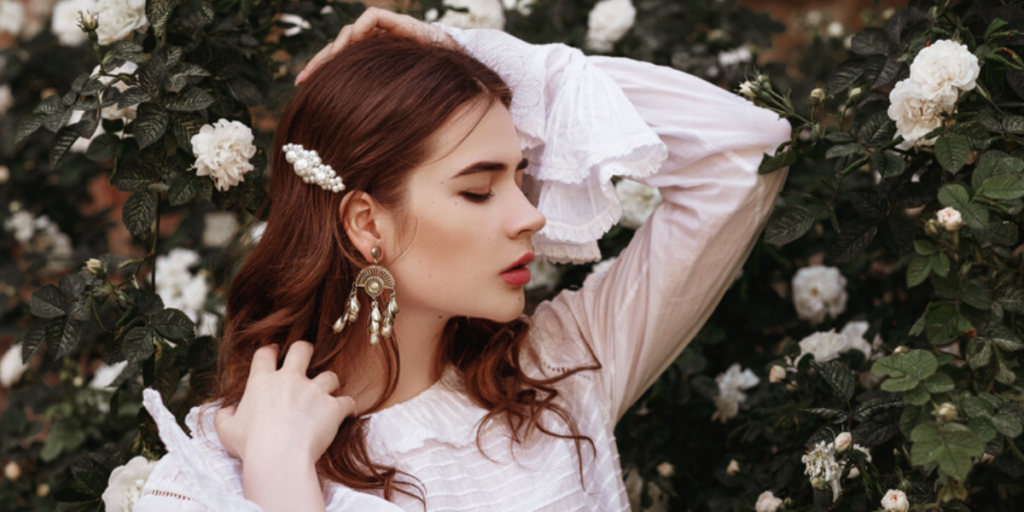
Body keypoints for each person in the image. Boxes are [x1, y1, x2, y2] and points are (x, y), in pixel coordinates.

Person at [134, 7, 791, 512]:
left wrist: (472, 57)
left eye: (521, 175)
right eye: (479, 188)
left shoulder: (561, 371)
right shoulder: (209, 478)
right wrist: (278, 476)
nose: (529, 214)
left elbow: (743, 155)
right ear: (367, 224)